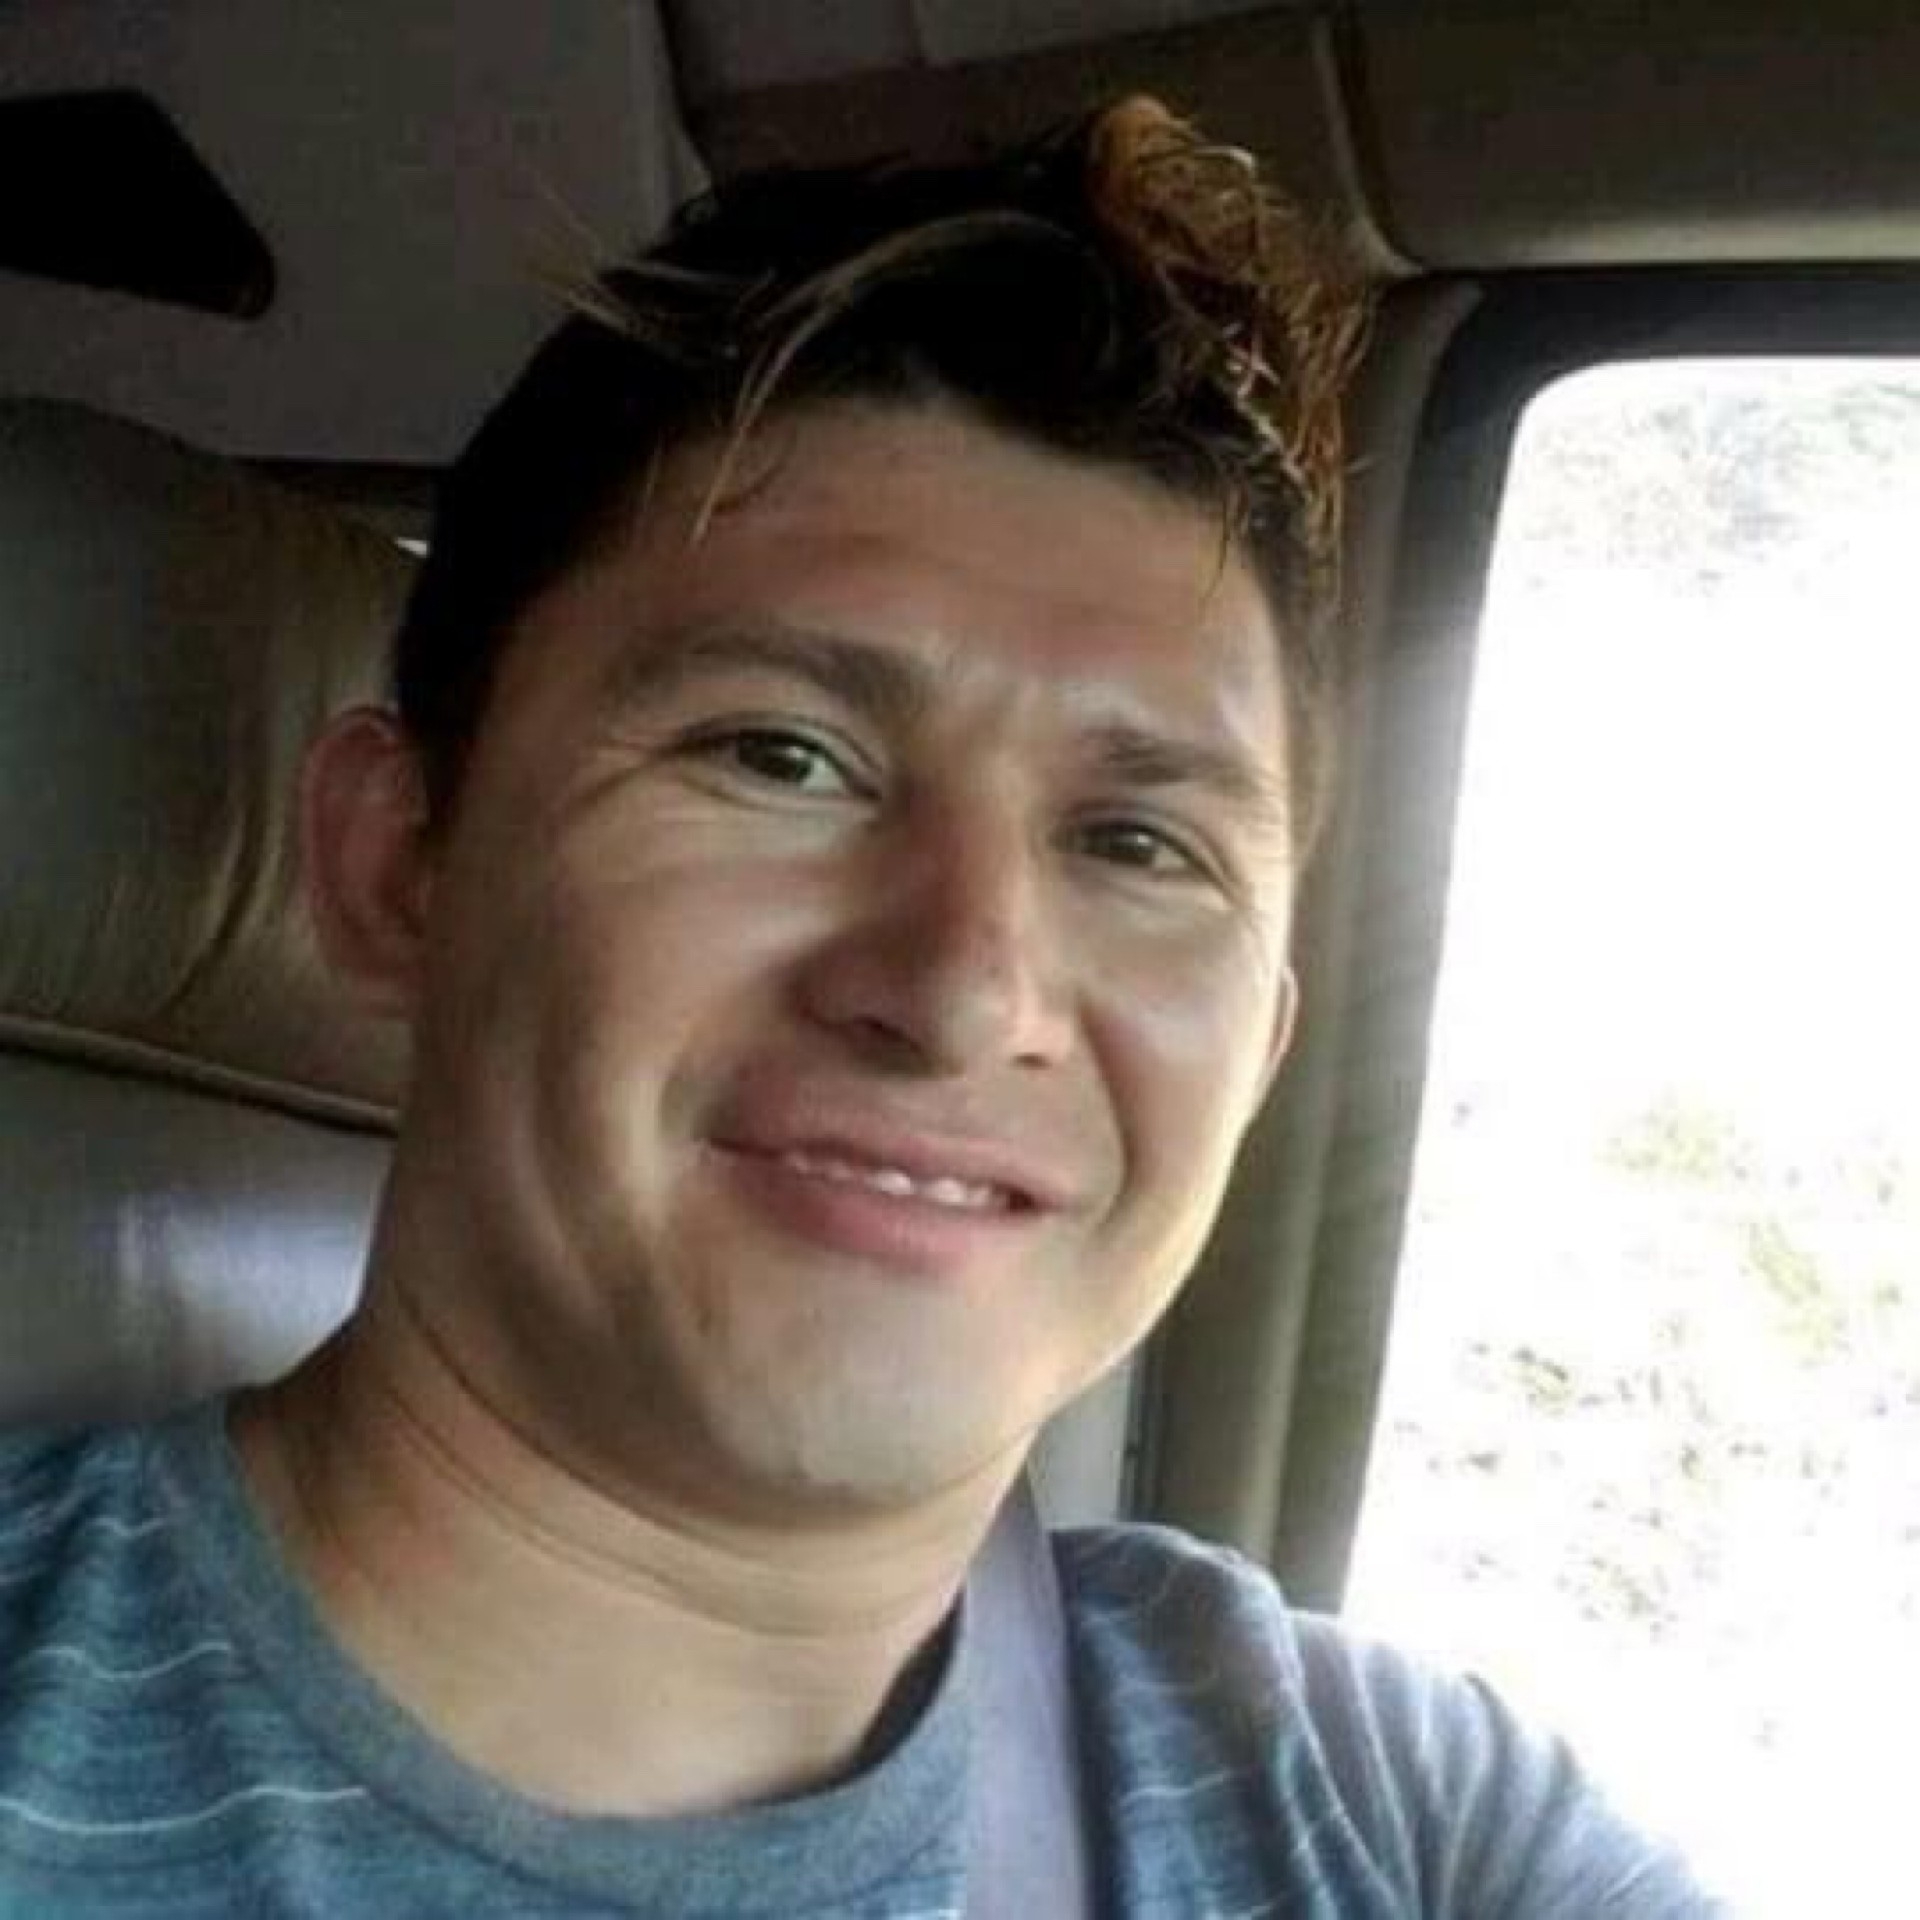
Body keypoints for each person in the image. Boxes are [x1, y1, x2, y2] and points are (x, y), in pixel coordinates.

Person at [0, 98, 1723, 1916]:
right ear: (397, 864)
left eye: (1139, 845)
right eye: (782, 755)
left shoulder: (1411, 1827)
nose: (966, 989)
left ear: (1260, 1058)